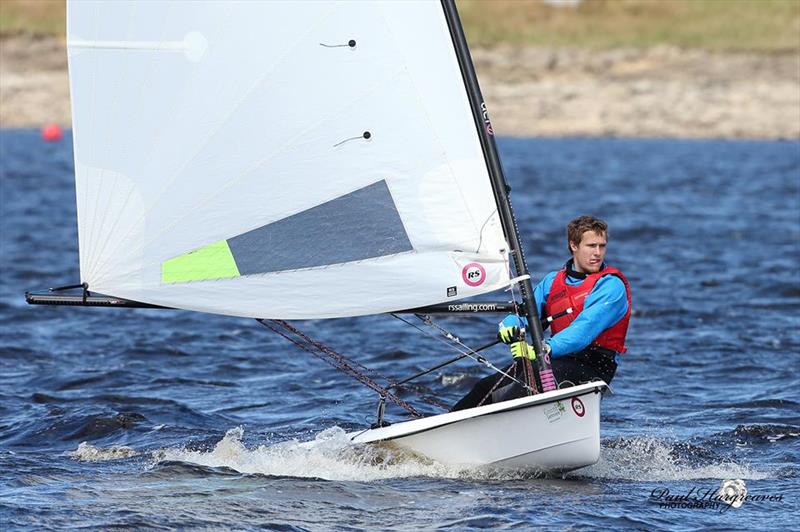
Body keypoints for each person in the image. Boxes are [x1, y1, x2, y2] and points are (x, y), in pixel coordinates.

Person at [452, 215, 631, 411]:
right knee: (485, 388)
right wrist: (510, 325)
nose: (598, 253)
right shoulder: (552, 281)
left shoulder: (611, 285)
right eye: (591, 246)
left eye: (602, 246)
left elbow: (583, 332)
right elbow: (527, 314)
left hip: (592, 366)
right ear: (574, 245)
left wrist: (542, 349)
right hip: (554, 359)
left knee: (525, 386)